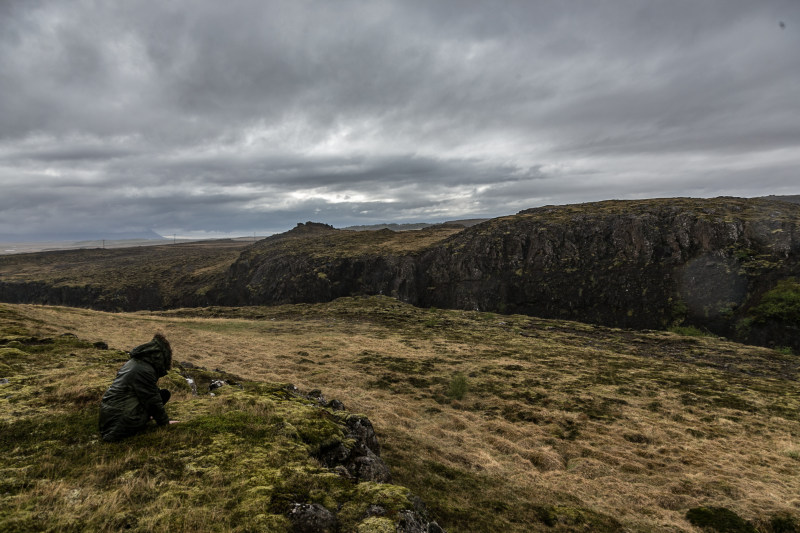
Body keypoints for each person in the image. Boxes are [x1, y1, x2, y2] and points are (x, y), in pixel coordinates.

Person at [99, 333, 174, 442]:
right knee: (155, 399)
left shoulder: (136, 363)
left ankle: (144, 417)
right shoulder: (143, 371)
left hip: (110, 416)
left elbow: (149, 392)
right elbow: (151, 400)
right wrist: (165, 423)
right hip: (119, 423)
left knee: (163, 394)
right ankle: (138, 420)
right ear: (160, 356)